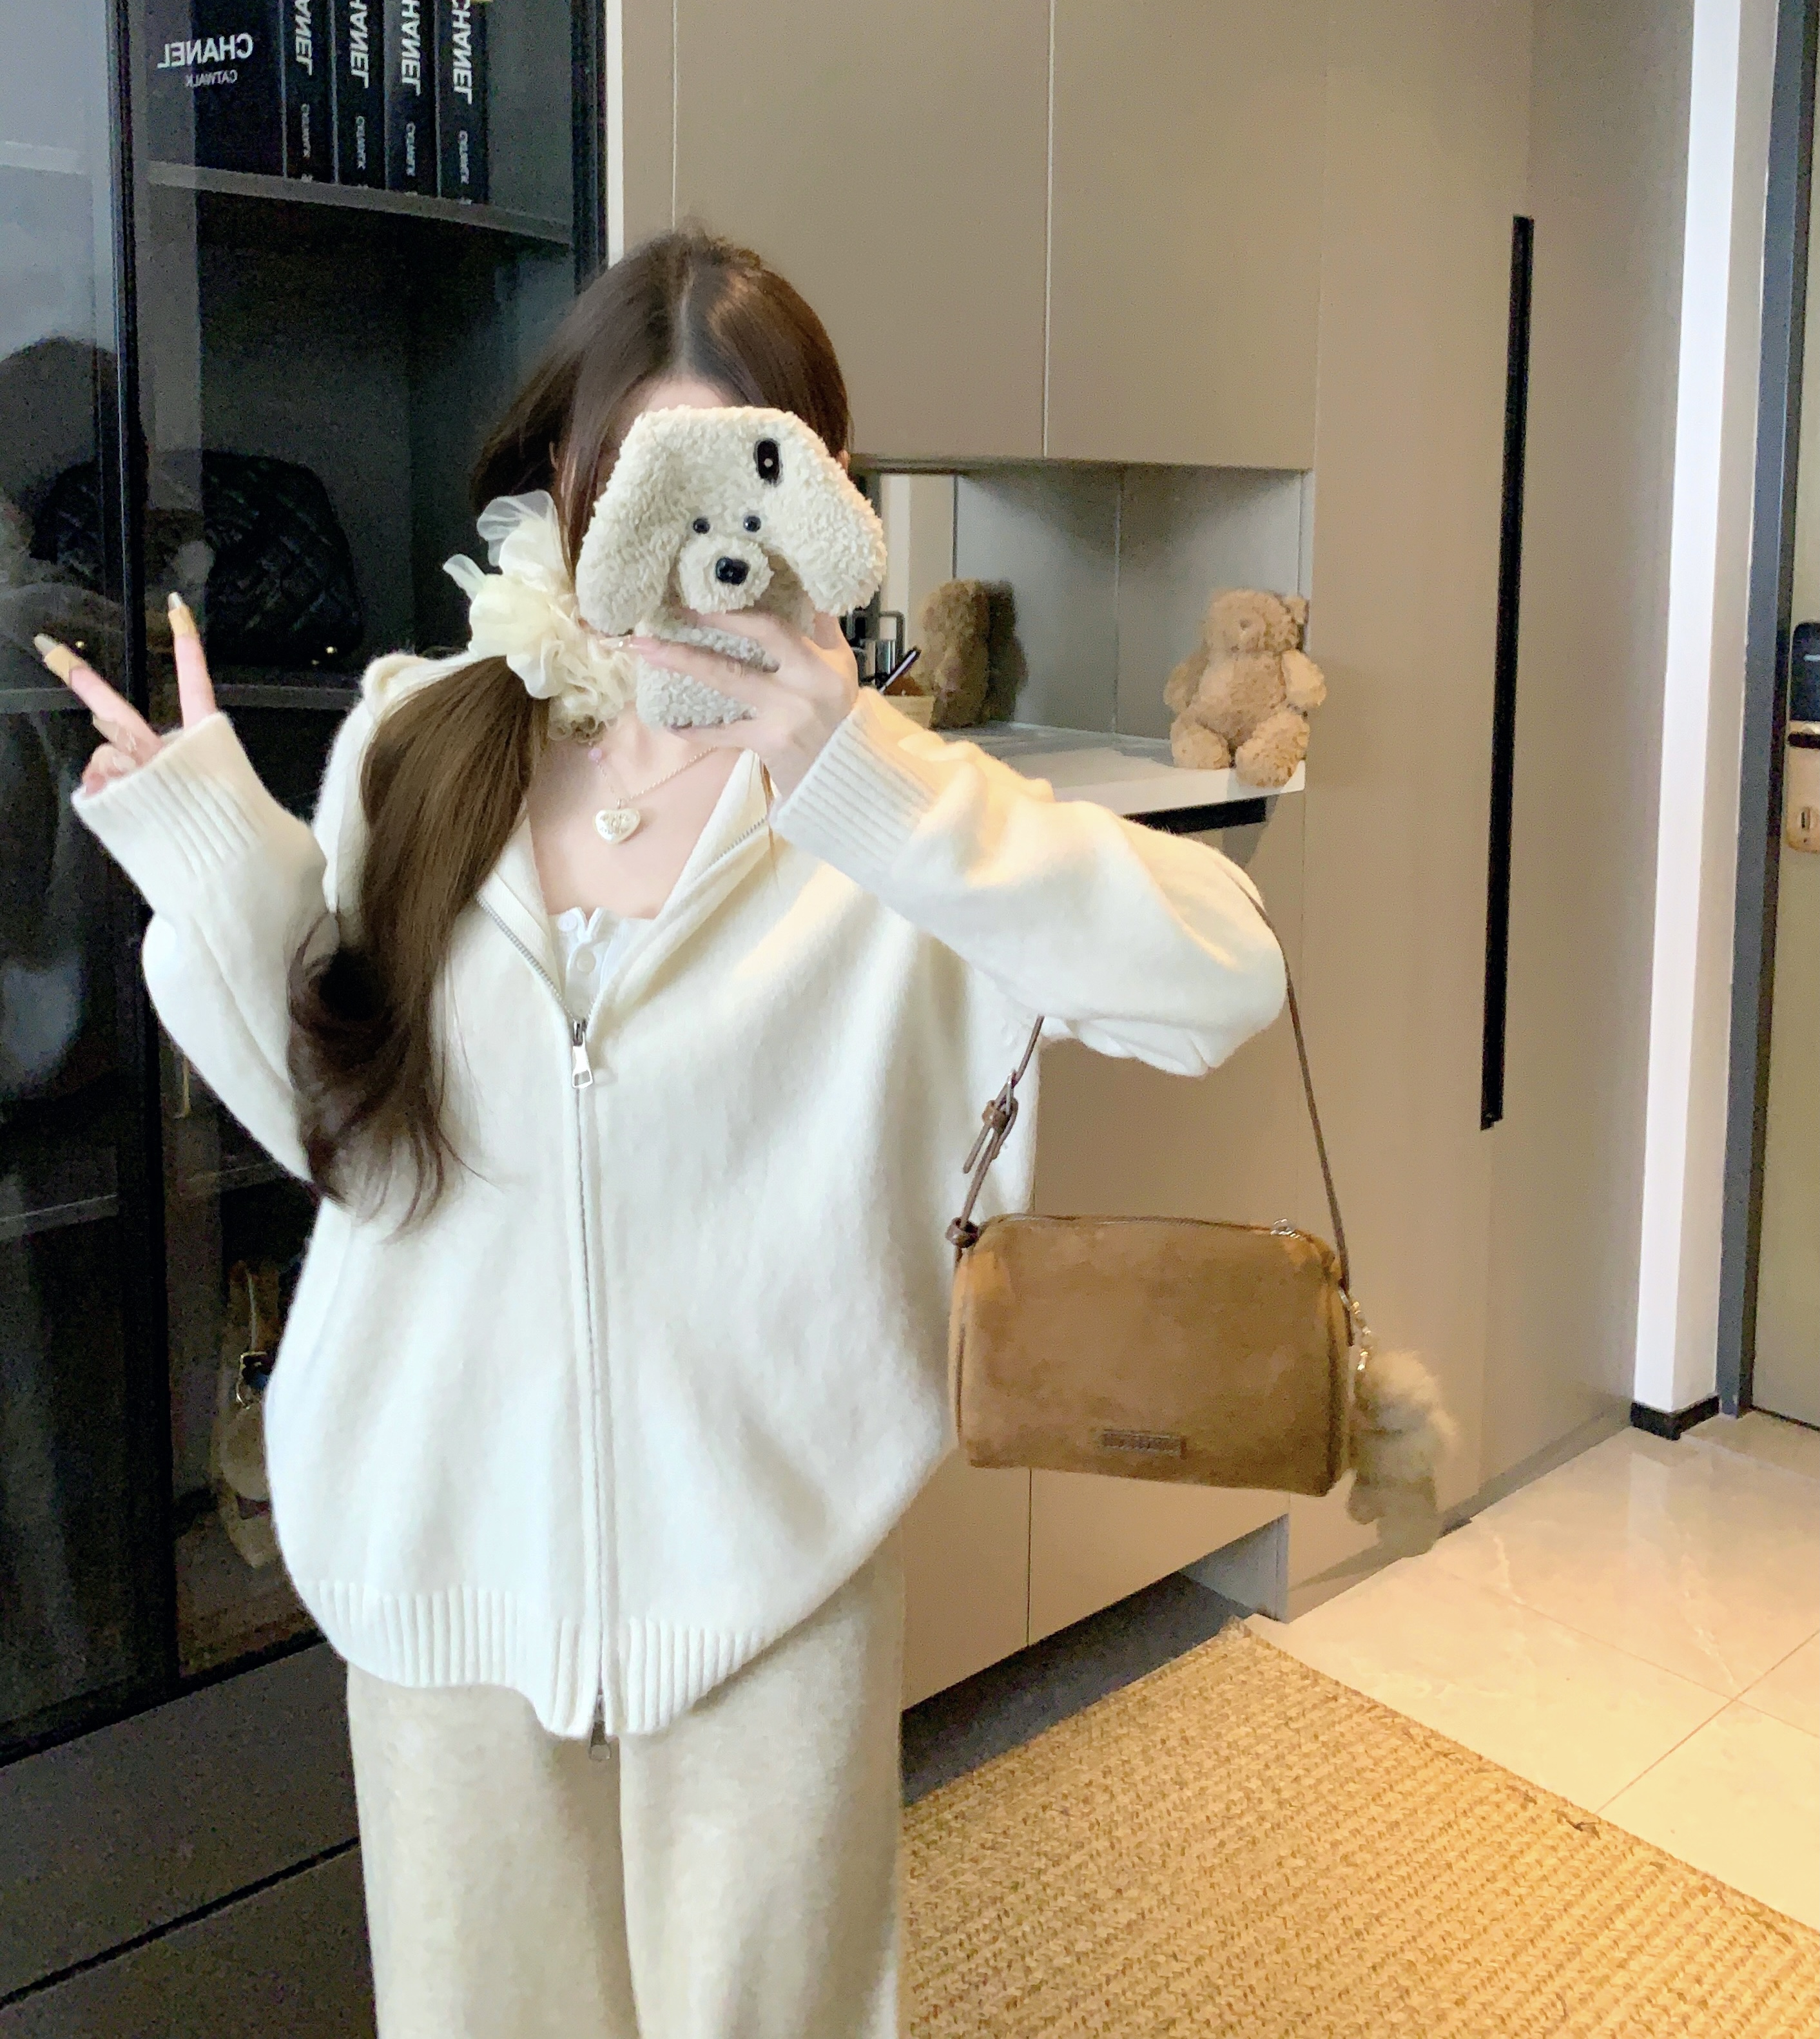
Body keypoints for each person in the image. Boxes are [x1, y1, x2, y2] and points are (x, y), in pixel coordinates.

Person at [41, 227, 1285, 2039]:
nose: (697, 528)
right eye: (642, 467)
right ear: (564, 475)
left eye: (748, 468)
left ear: (825, 498)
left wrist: (862, 776)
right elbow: (349, 1139)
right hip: (444, 1565)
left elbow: (1221, 980)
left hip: (770, 1580)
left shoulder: (884, 810)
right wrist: (210, 850)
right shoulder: (419, 740)